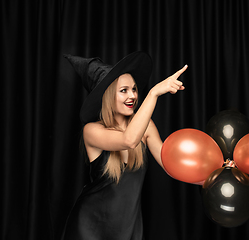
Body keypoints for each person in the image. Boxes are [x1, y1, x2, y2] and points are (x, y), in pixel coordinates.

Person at [62, 51, 187, 240]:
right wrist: (153, 93)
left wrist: (213, 175)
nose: (132, 96)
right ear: (108, 96)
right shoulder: (91, 131)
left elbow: (170, 164)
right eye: (124, 90)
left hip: (127, 229)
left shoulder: (146, 126)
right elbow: (129, 140)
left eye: (135, 89)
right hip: (89, 228)